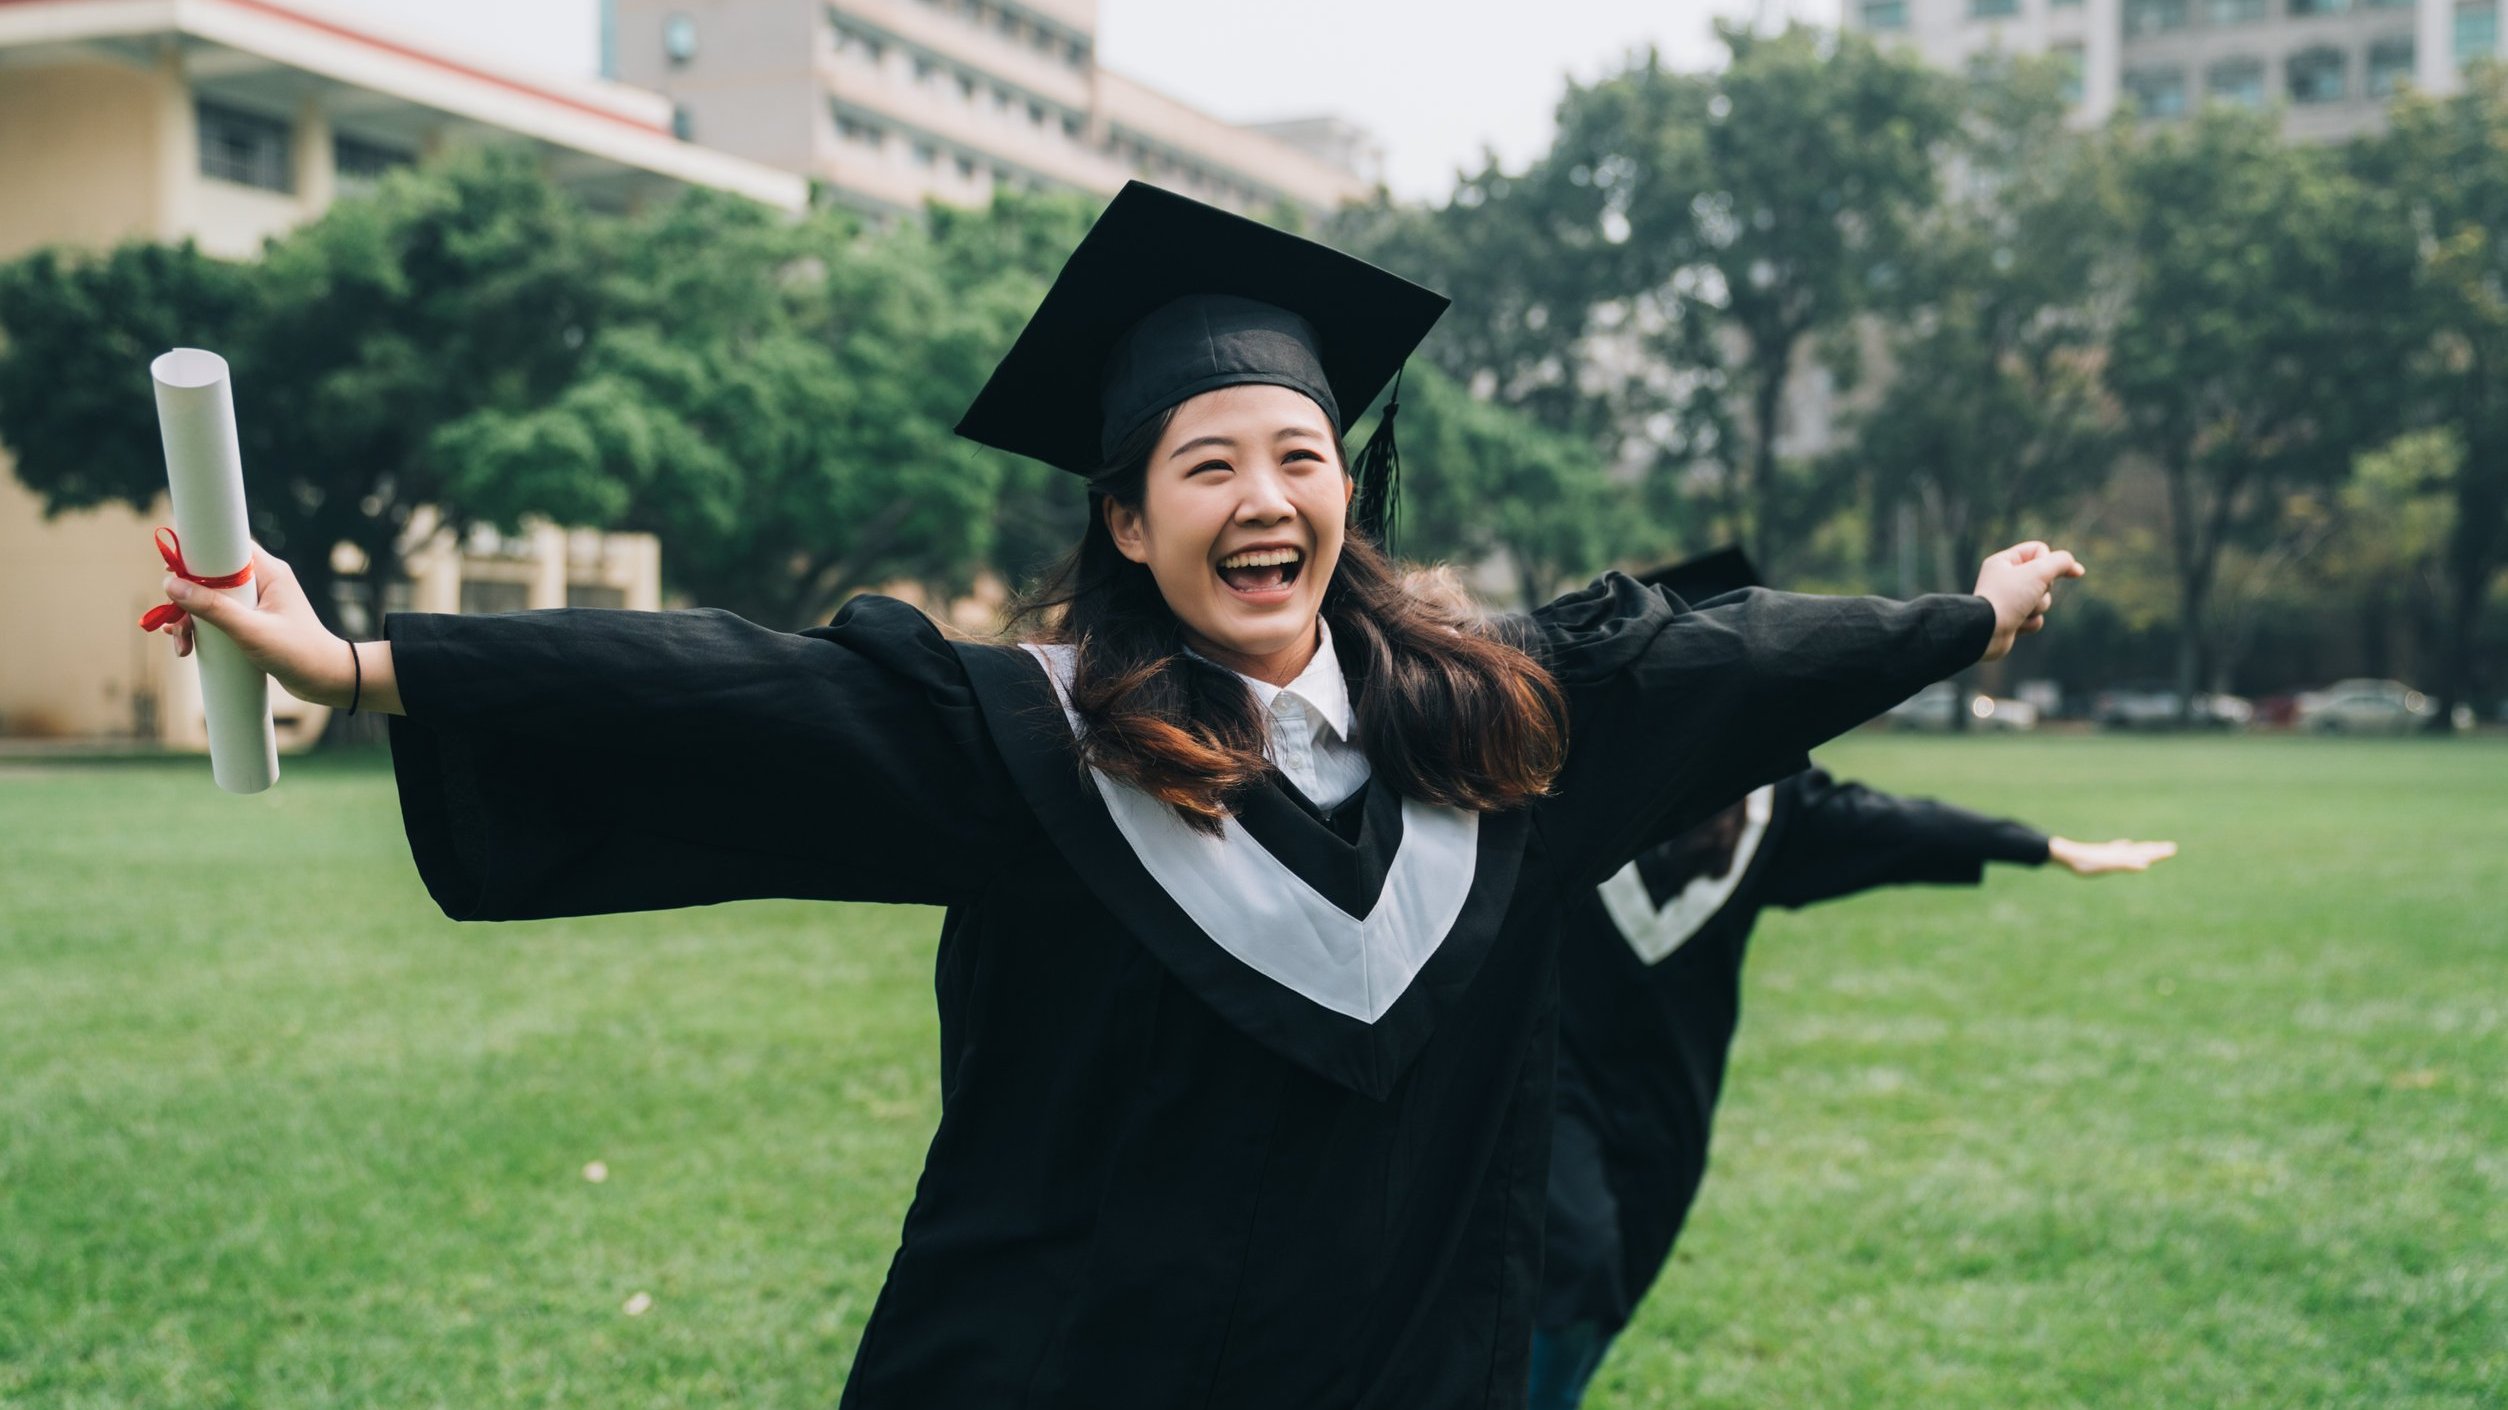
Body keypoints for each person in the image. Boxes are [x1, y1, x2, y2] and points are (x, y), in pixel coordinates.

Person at [147, 184, 2084, 1409]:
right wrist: (361, 661)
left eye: (1301, 453)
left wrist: (1955, 619)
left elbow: (1730, 667)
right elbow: (745, 701)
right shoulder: (1032, 750)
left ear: (1349, 492)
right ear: (1128, 519)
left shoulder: (1497, 740)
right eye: (1206, 460)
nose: (1265, 496)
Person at [1525, 549, 2172, 1410]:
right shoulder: (1563, 783)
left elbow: (1897, 827)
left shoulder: (1777, 812)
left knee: (1613, 1276)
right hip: (1546, 1082)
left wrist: (2043, 846)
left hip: (1669, 1097)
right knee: (1576, 1260)